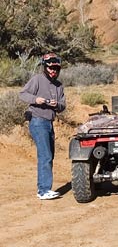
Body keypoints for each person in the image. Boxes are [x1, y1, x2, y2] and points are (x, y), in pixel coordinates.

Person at [19, 53, 66, 200]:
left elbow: (63, 105)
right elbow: (22, 94)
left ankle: (43, 188)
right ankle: (44, 190)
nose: (53, 71)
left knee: (49, 155)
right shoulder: (37, 79)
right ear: (45, 67)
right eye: (51, 68)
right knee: (45, 155)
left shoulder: (59, 86)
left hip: (49, 123)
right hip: (38, 121)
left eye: (56, 69)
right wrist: (36, 99)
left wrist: (56, 105)